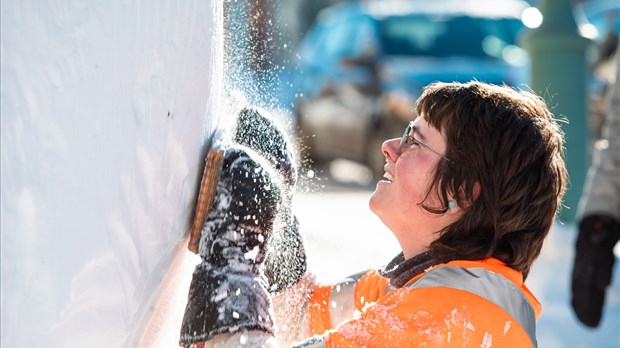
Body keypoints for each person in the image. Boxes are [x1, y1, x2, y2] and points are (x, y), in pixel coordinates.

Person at [179, 81, 567, 347]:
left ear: (462, 193)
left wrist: (233, 259)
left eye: (416, 141)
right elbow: (301, 315)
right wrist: (276, 221)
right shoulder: (430, 288)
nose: (389, 147)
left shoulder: (440, 321)